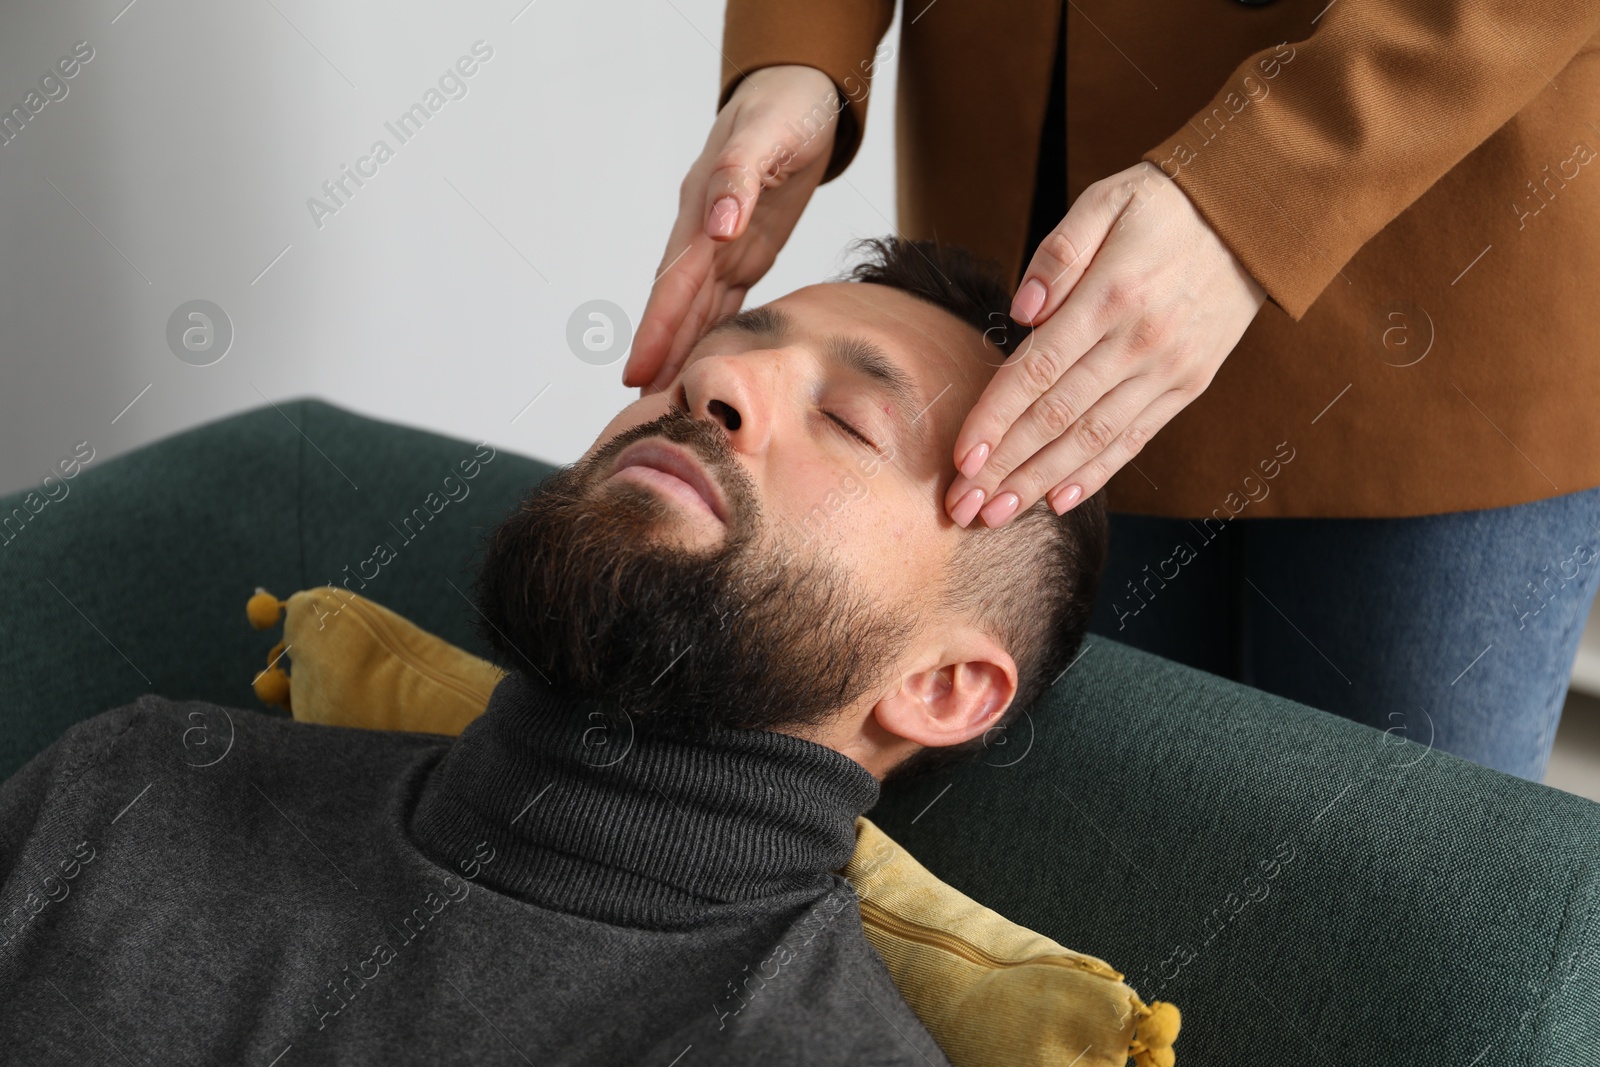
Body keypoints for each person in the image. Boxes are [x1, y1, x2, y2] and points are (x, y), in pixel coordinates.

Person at [0, 237, 1108, 1065]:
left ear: (943, 685)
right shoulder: (133, 787)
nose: (712, 387)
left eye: (853, 419)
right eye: (714, 357)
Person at [625, 2, 1600, 782]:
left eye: (843, 413)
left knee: (1385, 939)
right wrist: (801, 45)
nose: (716, 386)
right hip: (1030, 227)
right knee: (1062, 908)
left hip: (1454, 259)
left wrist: (1258, 188)